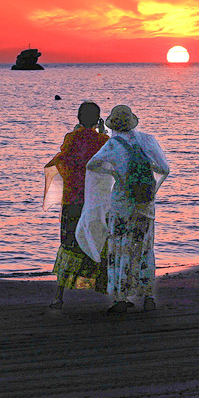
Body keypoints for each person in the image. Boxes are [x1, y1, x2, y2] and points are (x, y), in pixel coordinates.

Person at [77, 104, 169, 314]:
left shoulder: (112, 145)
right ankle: (148, 296)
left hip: (122, 203)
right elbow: (164, 168)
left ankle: (121, 297)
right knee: (144, 246)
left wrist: (116, 172)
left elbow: (92, 165)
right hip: (145, 204)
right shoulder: (147, 140)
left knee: (120, 247)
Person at [43, 101, 109, 309]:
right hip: (95, 201)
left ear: (78, 118)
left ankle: (59, 296)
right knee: (99, 242)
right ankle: (110, 292)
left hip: (73, 199)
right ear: (98, 119)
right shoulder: (104, 140)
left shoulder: (71, 139)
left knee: (69, 243)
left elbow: (64, 160)